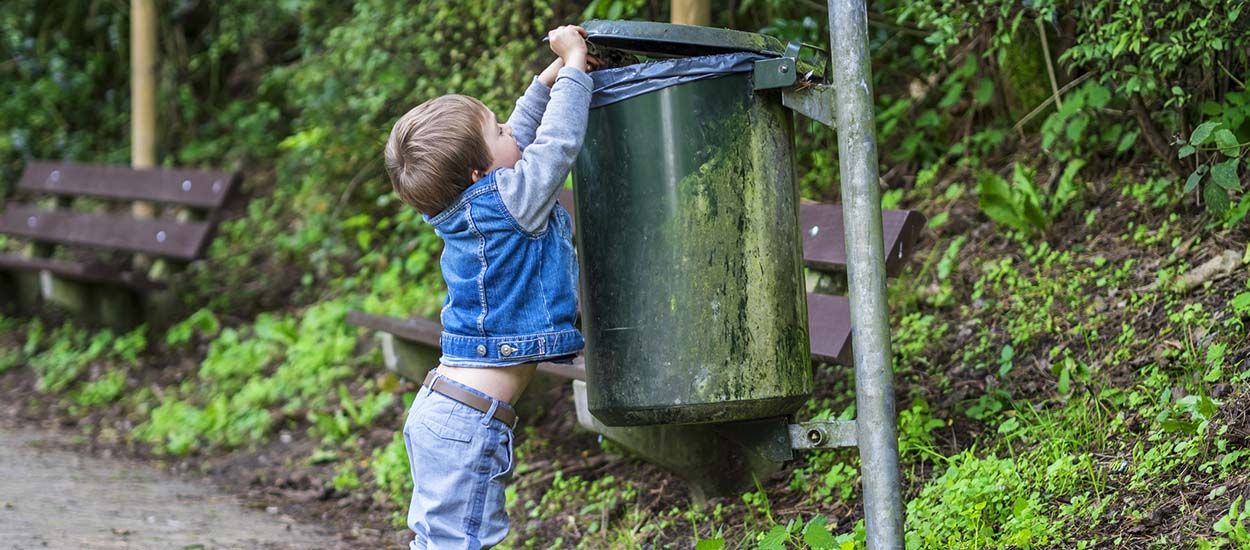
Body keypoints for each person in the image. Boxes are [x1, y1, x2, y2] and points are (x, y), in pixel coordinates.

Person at [382, 24, 594, 549]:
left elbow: (517, 137)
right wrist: (571, 69)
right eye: (497, 131)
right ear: (481, 171)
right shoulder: (510, 202)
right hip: (467, 423)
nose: (510, 132)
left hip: (445, 410)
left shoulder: (467, 206)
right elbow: (556, 145)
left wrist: (546, 81)